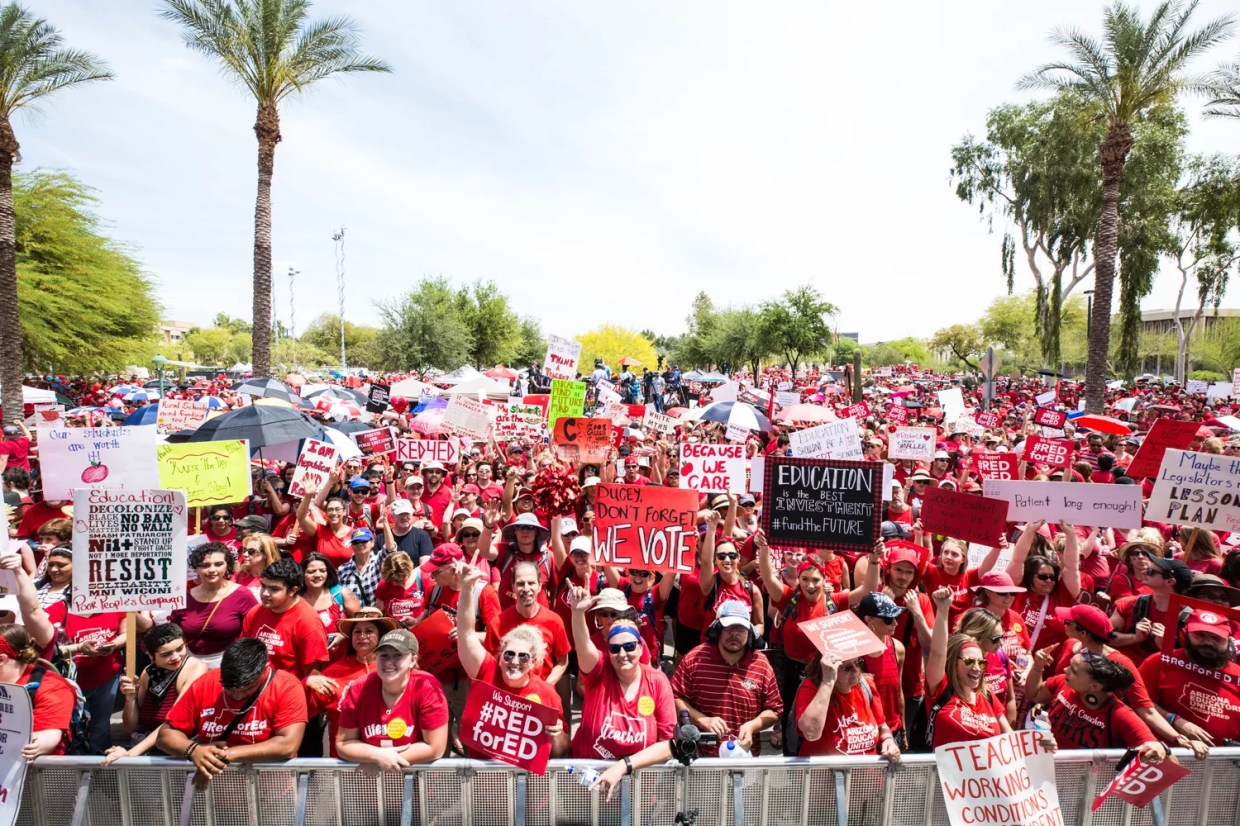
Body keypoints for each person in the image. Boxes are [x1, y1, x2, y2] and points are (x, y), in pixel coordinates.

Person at [158, 639, 308, 789]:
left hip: (271, 793)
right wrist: (194, 750)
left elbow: (288, 744)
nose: (237, 696)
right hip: (213, 794)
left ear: (265, 669)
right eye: (229, 688)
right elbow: (166, 734)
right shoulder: (206, 682)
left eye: (247, 689)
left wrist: (222, 756)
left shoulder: (287, 686)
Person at [455, 563, 569, 756]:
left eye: (523, 656)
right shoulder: (490, 671)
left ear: (534, 661)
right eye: (508, 654)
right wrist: (466, 588)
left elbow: (559, 752)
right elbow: (466, 635)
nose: (515, 661)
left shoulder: (547, 695)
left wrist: (556, 734)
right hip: (489, 778)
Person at [566, 586, 676, 760]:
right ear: (607, 651)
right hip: (590, 775)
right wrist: (578, 613)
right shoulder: (599, 668)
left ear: (641, 649)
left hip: (638, 778)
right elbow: (583, 647)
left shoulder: (657, 681)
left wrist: (623, 766)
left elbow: (669, 742)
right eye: (615, 648)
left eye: (630, 647)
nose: (623, 654)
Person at [669, 600, 782, 756]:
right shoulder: (694, 659)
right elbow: (673, 698)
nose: (734, 633)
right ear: (717, 629)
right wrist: (702, 719)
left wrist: (752, 726)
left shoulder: (761, 664)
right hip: (701, 758)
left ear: (749, 631)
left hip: (746, 758)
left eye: (741, 628)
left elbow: (775, 710)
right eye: (729, 627)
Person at [1025, 648, 1169, 759]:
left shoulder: (1120, 715)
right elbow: (1035, 694)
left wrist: (1160, 749)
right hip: (1045, 771)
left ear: (1095, 687)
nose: (1065, 670)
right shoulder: (1063, 682)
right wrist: (1038, 667)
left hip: (1085, 786)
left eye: (1073, 671)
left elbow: (1153, 747)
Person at [335, 629, 449, 769]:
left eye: (397, 656)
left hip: (416, 780)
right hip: (370, 784)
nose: (389, 662)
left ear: (413, 660)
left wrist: (382, 764)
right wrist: (376, 756)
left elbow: (435, 747)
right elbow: (343, 743)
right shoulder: (359, 688)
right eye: (384, 656)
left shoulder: (426, 686)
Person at [103, 623, 209, 765]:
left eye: (180, 649)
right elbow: (131, 726)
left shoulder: (195, 667)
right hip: (147, 750)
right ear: (150, 655)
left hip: (177, 754)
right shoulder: (147, 673)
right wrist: (130, 698)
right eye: (166, 654)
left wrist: (131, 753)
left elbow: (173, 721)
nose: (176, 657)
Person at [923, 587, 1011, 747]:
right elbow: (937, 653)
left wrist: (1040, 745)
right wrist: (943, 610)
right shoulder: (941, 688)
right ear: (953, 662)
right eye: (970, 661)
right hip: (943, 772)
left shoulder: (986, 694)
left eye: (982, 662)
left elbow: (1010, 738)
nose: (977, 668)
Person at [1140, 608, 1240, 747]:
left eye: (1216, 638)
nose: (1208, 643)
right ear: (1186, 634)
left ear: (1228, 641)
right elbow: (1136, 703)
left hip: (1223, 762)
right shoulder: (1160, 662)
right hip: (1166, 757)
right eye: (1200, 635)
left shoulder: (1237, 676)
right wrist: (1174, 720)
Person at [305, 608, 398, 757]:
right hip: (345, 761)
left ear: (381, 635)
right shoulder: (334, 672)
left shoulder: (397, 668)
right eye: (357, 632)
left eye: (369, 631)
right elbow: (303, 707)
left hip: (389, 756)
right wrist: (306, 683)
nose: (362, 636)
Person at [796, 651, 901, 759]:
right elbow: (811, 733)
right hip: (826, 774)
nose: (855, 670)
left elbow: (882, 726)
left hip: (868, 774)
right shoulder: (811, 688)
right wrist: (827, 682)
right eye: (847, 668)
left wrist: (888, 741)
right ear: (828, 669)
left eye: (857, 663)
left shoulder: (866, 685)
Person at [170, 542, 258, 669]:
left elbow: (255, 630)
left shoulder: (242, 595)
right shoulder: (184, 597)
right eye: (205, 565)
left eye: (218, 564)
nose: (212, 570)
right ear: (196, 568)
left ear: (227, 565)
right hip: (189, 664)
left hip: (229, 665)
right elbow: (174, 632)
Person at [483, 560, 571, 684]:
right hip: (508, 696)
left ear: (540, 586)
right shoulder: (497, 623)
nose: (526, 588)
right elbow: (490, 664)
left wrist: (546, 687)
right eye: (520, 583)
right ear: (513, 587)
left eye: (531, 583)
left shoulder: (554, 621)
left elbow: (562, 661)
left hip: (539, 697)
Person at [241, 558, 330, 679]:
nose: (265, 593)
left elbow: (312, 677)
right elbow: (243, 653)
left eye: (274, 589)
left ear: (293, 590)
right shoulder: (255, 612)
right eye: (263, 586)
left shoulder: (309, 623)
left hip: (286, 693)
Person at [0, 624, 76, 759]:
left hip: (40, 773)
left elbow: (49, 735)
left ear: (2, 659)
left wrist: (36, 745)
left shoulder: (52, 686)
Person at [1110, 556, 1193, 665]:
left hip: (1159, 677)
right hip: (1121, 670)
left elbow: (1195, 665)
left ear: (1169, 581)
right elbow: (1103, 638)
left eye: (1151, 571)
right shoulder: (1128, 604)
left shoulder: (1191, 619)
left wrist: (1166, 647)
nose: (1145, 572)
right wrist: (1134, 637)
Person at [299, 551, 361, 653]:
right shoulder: (295, 600)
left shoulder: (341, 595)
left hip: (342, 661)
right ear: (302, 574)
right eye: (311, 571)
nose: (318, 575)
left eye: (322, 571)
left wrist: (344, 634)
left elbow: (362, 622)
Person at [375, 498, 434, 562]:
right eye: (400, 514)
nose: (404, 517)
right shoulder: (381, 539)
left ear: (412, 515)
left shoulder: (422, 536)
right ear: (392, 517)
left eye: (407, 513)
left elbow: (424, 564)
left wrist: (409, 572)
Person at [236, 533, 282, 599]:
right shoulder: (239, 575)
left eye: (251, 551)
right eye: (245, 550)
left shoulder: (276, 578)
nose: (245, 554)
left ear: (265, 554)